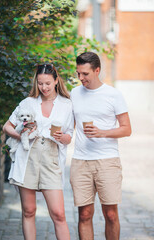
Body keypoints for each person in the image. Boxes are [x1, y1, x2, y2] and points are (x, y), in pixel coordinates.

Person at [3, 63, 74, 240]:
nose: (44, 87)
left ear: (56, 80)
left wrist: (62, 137)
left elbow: (69, 137)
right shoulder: (28, 103)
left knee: (58, 214)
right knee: (28, 211)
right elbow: (7, 126)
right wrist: (23, 136)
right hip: (28, 158)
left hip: (51, 159)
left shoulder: (67, 105)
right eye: (40, 83)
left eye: (48, 83)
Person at [70, 52, 132, 240]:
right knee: (84, 214)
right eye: (78, 73)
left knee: (111, 214)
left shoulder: (113, 95)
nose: (81, 78)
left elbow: (127, 129)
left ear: (97, 71)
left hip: (107, 161)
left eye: (85, 74)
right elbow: (68, 125)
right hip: (81, 162)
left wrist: (102, 132)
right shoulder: (74, 93)